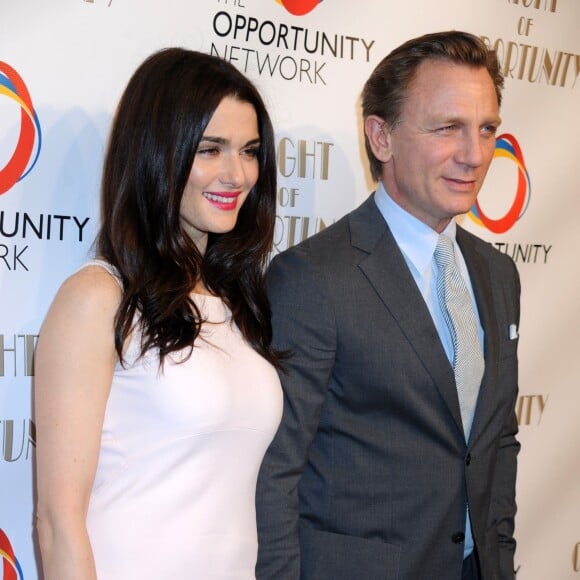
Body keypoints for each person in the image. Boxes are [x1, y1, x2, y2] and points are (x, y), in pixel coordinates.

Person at [256, 30, 520, 580]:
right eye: (448, 127)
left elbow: (496, 442)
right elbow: (273, 475)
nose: (474, 154)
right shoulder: (314, 279)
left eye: (487, 128)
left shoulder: (498, 275)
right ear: (381, 137)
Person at [34, 47, 284, 580]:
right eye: (210, 149)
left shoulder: (239, 301)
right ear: (157, 153)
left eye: (249, 150)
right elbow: (58, 522)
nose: (237, 174)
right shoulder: (98, 296)